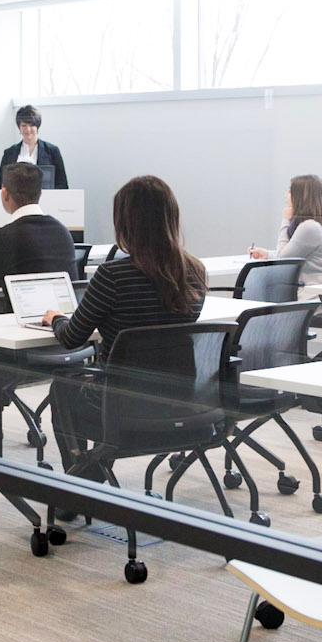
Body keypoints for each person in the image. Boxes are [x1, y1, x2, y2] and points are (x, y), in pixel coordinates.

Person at [40, 175, 207, 473]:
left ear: (126, 222)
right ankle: (94, 471)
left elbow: (72, 338)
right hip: (178, 401)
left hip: (123, 404)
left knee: (63, 386)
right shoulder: (194, 271)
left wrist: (57, 319)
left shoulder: (111, 276)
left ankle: (80, 476)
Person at [0, 162, 76, 299]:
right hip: (62, 313)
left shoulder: (3, 238)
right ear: (40, 194)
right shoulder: (62, 232)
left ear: (5, 194)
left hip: (22, 313)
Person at [247, 174, 322, 285]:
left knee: (263, 285)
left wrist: (286, 219)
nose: (286, 196)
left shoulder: (310, 227)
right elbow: (292, 254)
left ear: (301, 196)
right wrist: (268, 254)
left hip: (313, 293)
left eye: (290, 191)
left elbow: (282, 261)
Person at [0, 104, 69, 190]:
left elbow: (62, 184)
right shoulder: (9, 153)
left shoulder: (52, 151)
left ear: (37, 126)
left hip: (45, 197)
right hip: (16, 197)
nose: (28, 129)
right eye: (24, 125)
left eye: (32, 125)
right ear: (19, 127)